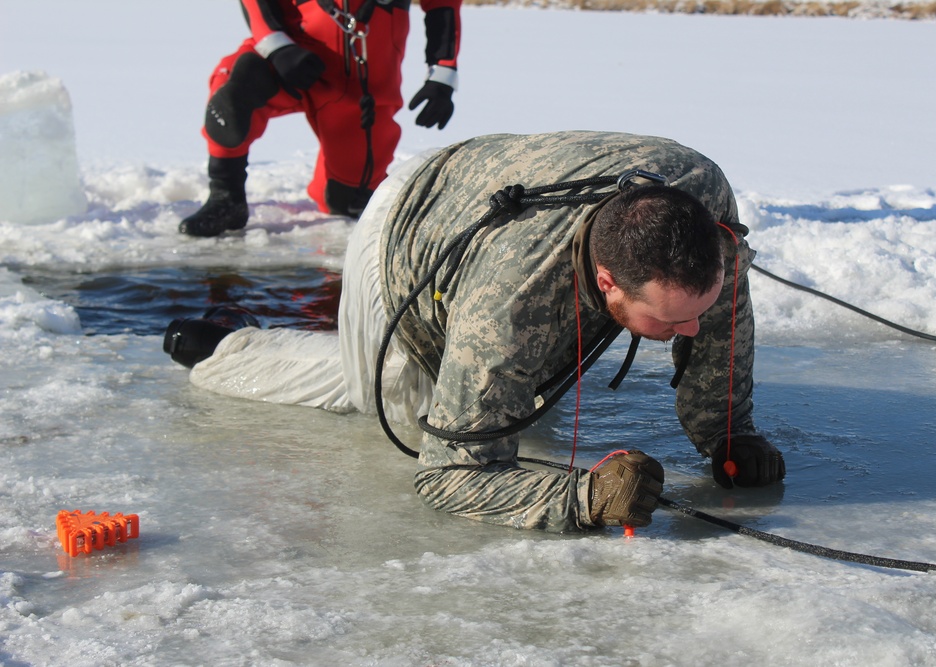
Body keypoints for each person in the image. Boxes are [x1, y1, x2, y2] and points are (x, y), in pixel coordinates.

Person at [164, 131, 786, 533]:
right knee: (400, 402)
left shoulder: (703, 211)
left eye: (695, 308)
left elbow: (724, 318)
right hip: (405, 232)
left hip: (485, 199)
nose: (692, 328)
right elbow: (448, 472)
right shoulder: (508, 304)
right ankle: (232, 348)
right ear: (606, 282)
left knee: (519, 406)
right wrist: (585, 500)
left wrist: (729, 433)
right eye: (673, 321)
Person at [179, 0, 462, 238]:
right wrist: (277, 46)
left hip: (364, 80)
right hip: (291, 52)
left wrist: (442, 73)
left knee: (346, 201)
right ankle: (225, 195)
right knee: (236, 89)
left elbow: (442, 5)